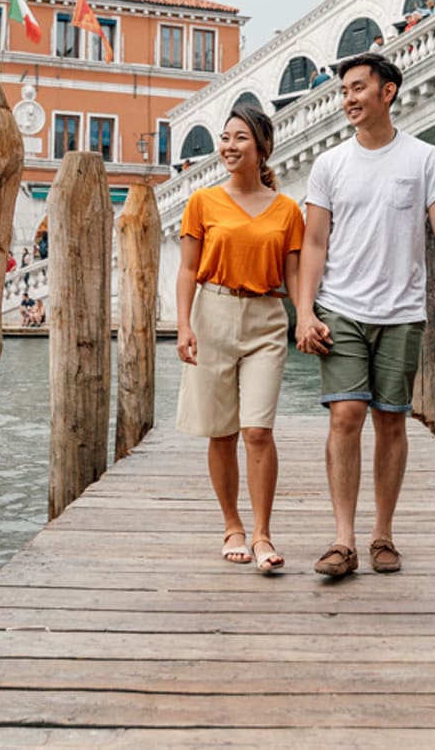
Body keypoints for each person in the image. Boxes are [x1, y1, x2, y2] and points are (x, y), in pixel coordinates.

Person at [294, 52, 435, 578]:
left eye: (357, 88)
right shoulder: (329, 165)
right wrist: (305, 311)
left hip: (402, 311)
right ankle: (343, 540)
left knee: (392, 420)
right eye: (343, 90)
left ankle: (382, 535)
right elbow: (315, 243)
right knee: (346, 415)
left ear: (387, 92)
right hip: (342, 308)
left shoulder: (425, 159)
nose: (347, 99)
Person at [176, 104, 304, 574]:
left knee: (257, 430)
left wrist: (307, 316)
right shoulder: (202, 202)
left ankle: (263, 532)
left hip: (267, 318)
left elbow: (294, 276)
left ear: (262, 147)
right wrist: (185, 325)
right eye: (225, 138)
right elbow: (188, 268)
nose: (229, 147)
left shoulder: (288, 209)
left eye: (240, 138)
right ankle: (232, 525)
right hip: (211, 312)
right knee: (222, 430)